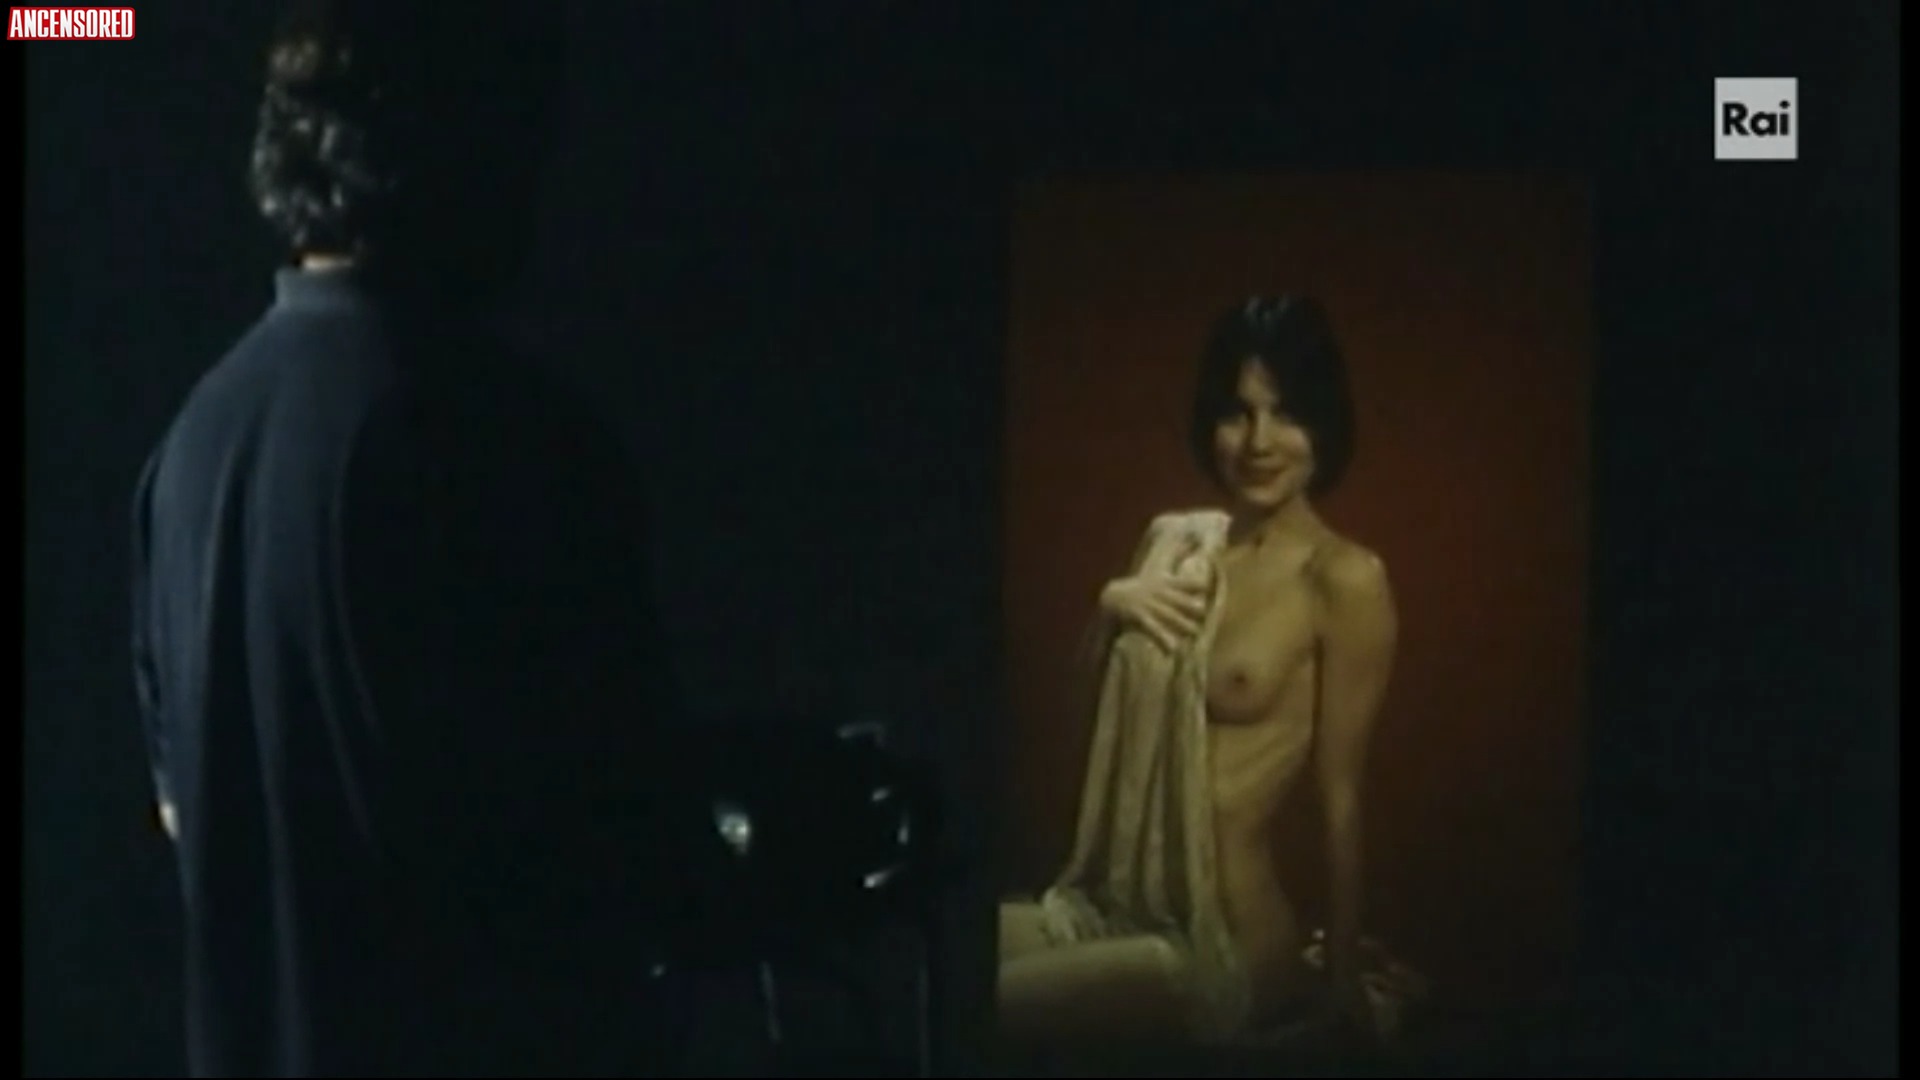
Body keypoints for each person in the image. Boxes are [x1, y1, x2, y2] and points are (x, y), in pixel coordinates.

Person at [129, 3, 679, 1074]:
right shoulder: (507, 440)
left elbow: (186, 816)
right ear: (465, 151)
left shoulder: (188, 450)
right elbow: (617, 836)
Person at [997, 295, 1415, 1052]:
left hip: (1221, 941)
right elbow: (1083, 727)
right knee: (939, 948)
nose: (1258, 441)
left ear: (1322, 426)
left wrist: (1341, 977)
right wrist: (1112, 606)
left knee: (988, 1002)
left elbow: (1341, 798)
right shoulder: (1178, 546)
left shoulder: (1344, 578)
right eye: (1237, 413)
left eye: (1284, 414)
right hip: (1117, 902)